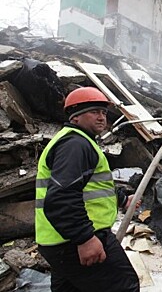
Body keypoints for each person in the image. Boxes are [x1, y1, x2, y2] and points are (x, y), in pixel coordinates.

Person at [35, 86, 140, 292]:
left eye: (103, 112)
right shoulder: (75, 145)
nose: (102, 117)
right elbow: (62, 198)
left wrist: (121, 198)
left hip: (59, 241)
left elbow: (88, 185)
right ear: (75, 117)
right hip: (75, 240)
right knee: (124, 286)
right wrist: (85, 239)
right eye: (94, 112)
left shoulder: (77, 142)